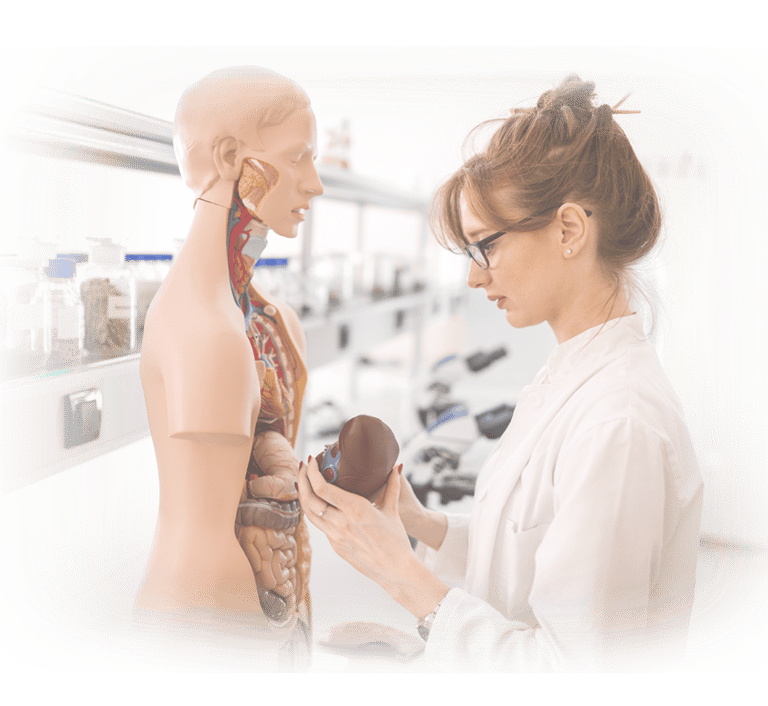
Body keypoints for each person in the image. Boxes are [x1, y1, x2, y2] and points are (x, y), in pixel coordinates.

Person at [297, 74, 704, 673]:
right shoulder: (571, 376)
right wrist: (420, 524)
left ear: (568, 230)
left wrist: (398, 572)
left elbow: (572, 673)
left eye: (486, 245)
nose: (474, 277)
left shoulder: (619, 423)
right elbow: (527, 562)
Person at [136, 66, 323, 671]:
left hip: (261, 607)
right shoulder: (205, 327)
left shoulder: (266, 319)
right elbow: (207, 525)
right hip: (209, 623)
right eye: (299, 157)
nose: (315, 184)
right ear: (228, 156)